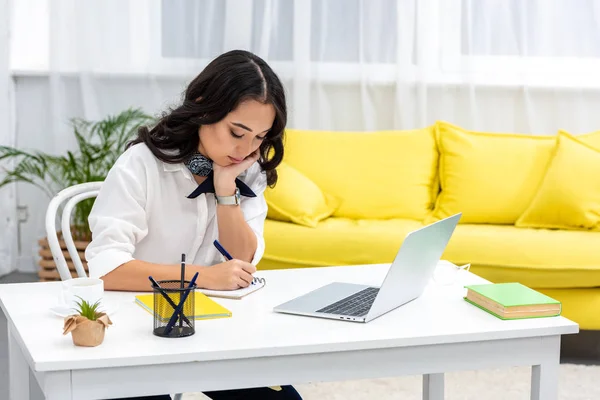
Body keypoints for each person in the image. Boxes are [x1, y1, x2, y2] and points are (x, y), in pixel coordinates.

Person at [85, 50, 302, 400]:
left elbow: (243, 260)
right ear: (204, 108)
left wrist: (226, 189)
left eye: (259, 138)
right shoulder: (140, 165)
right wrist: (204, 277)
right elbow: (107, 269)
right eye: (237, 132)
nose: (246, 149)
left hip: (213, 329)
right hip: (138, 331)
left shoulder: (247, 169)